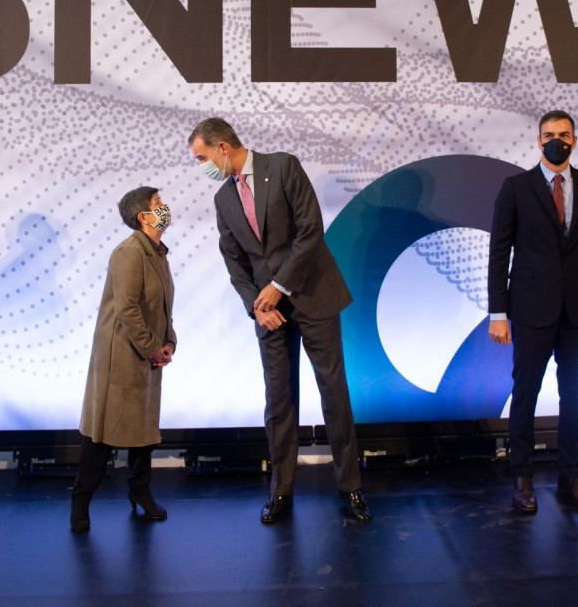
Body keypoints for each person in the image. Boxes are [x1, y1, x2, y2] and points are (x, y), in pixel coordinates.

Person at [187, 118, 370, 524]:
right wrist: (257, 302)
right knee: (279, 402)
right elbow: (234, 260)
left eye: (202, 157)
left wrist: (279, 286)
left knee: (334, 394)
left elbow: (310, 232)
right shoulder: (223, 199)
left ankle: (351, 486)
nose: (202, 166)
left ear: (222, 147)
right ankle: (281, 491)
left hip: (312, 294)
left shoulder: (283, 166)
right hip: (268, 314)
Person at [487, 111, 578, 513]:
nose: (556, 140)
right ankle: (522, 477)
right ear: (537, 141)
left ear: (575, 140)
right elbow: (499, 252)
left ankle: (570, 478)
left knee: (573, 395)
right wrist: (497, 312)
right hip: (529, 309)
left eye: (564, 134)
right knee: (525, 394)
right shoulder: (516, 188)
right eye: (549, 135)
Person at [72, 187, 178, 532]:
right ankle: (81, 500)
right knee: (103, 432)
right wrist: (153, 347)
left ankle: (140, 492)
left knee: (144, 430)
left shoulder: (158, 252)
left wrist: (169, 342)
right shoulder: (129, 252)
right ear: (142, 216)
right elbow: (128, 309)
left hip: (146, 352)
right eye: (158, 204)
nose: (165, 207)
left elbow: (162, 307)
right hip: (122, 353)